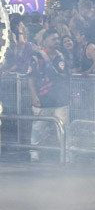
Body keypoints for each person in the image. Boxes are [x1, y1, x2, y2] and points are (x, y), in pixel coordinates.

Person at [28, 28, 70, 156]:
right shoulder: (37, 57)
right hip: (43, 99)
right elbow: (31, 78)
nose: (57, 41)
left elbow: (66, 74)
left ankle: (66, 156)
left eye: (58, 39)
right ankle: (34, 156)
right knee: (37, 129)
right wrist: (34, 96)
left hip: (61, 100)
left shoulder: (62, 56)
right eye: (54, 39)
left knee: (63, 129)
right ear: (45, 41)